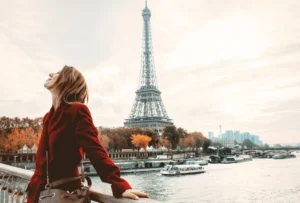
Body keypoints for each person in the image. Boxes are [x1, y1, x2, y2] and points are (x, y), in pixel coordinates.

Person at [26, 65, 150, 202]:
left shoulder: (77, 111)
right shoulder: (49, 116)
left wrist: (119, 184)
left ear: (66, 80)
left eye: (57, 73)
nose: (50, 74)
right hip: (41, 193)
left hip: (62, 194)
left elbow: (94, 149)